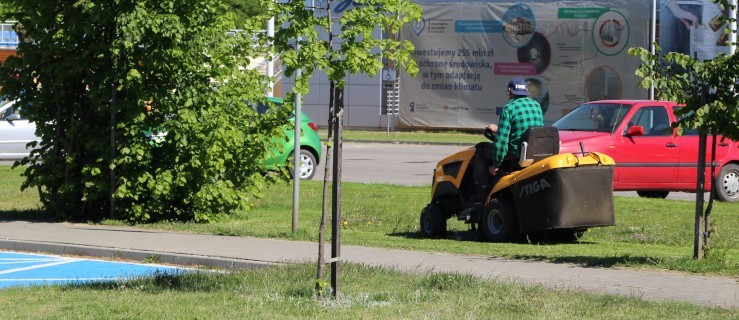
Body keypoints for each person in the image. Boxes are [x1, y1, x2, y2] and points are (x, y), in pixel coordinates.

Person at [474, 78, 544, 199]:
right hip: (534, 153)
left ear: (509, 91)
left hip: (515, 155)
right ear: (526, 91)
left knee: (480, 148)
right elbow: (525, 129)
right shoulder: (536, 105)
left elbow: (501, 142)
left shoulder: (509, 109)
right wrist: (499, 129)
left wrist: (496, 164)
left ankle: (483, 189)